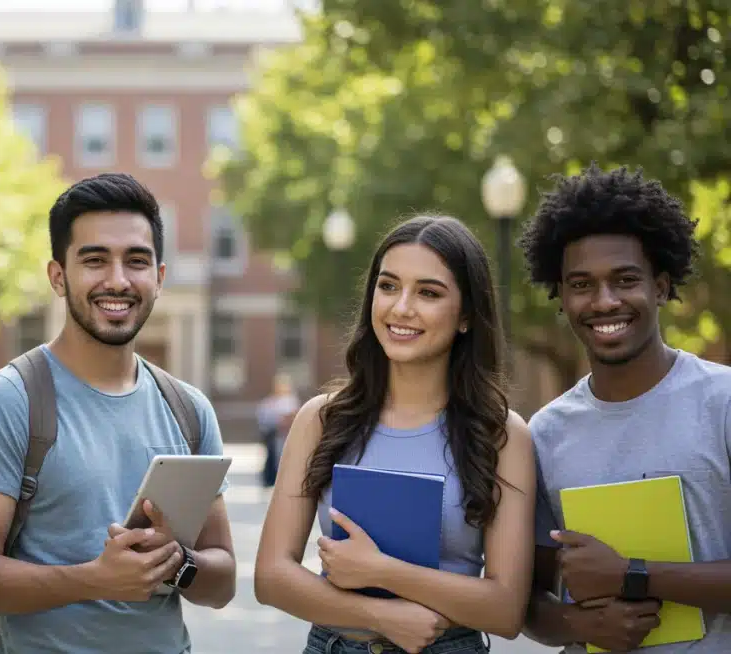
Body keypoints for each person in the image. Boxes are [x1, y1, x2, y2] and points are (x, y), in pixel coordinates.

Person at [0, 173, 237, 653]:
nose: (118, 280)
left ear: (160, 278)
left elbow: (222, 584)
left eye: (136, 261)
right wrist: (96, 579)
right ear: (58, 276)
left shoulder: (189, 409)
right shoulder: (5, 401)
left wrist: (177, 561)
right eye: (95, 260)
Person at [255, 215, 537, 654]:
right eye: (388, 286)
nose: (401, 308)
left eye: (428, 293)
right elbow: (271, 577)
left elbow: (506, 610)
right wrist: (379, 615)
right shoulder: (322, 420)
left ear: (466, 315)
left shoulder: (502, 435)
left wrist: (382, 571)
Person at [518, 164, 731, 653]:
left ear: (661, 286)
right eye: (581, 284)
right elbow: (527, 601)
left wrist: (633, 574)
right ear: (561, 296)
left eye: (625, 279)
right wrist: (580, 626)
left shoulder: (722, 402)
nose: (605, 301)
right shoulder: (545, 432)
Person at [257, 374, 300, 487]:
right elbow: (264, 417)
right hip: (273, 434)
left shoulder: (291, 400)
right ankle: (271, 478)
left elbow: (295, 416)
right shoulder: (270, 401)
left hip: (286, 434)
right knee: (272, 456)